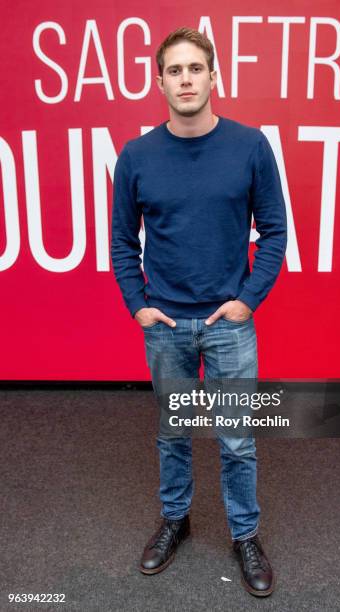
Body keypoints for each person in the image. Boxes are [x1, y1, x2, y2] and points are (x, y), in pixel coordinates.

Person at [111, 27, 287, 597]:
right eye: (174, 71)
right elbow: (121, 241)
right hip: (166, 328)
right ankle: (175, 521)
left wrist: (248, 300)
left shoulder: (250, 146)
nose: (185, 79)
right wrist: (138, 305)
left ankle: (244, 534)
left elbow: (276, 230)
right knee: (173, 433)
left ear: (214, 76)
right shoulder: (136, 156)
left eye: (195, 69)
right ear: (158, 81)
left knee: (237, 438)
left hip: (229, 325)